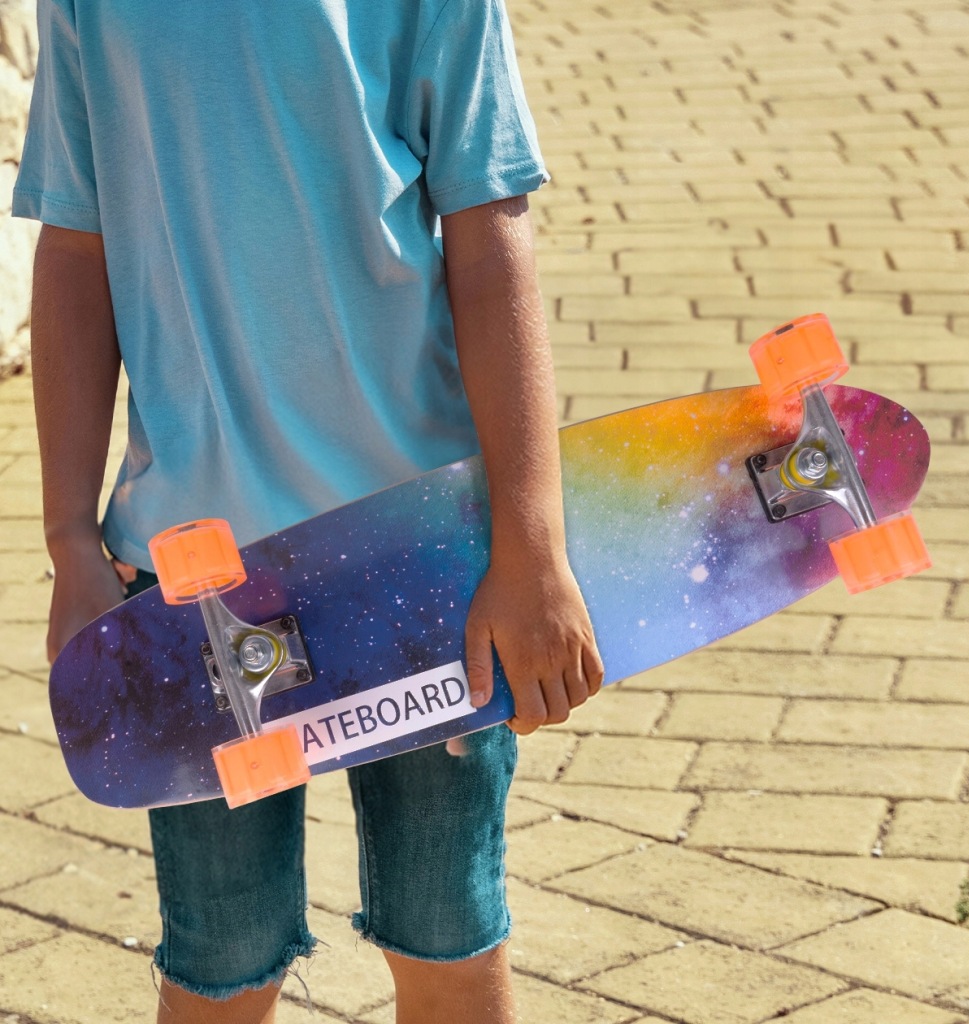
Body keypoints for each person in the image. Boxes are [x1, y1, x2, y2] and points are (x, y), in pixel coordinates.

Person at [14, 2, 604, 1021]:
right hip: (193, 584)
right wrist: (69, 538)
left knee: (450, 937)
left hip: (420, 556)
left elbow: (490, 236)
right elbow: (74, 246)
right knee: (221, 961)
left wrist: (532, 550)